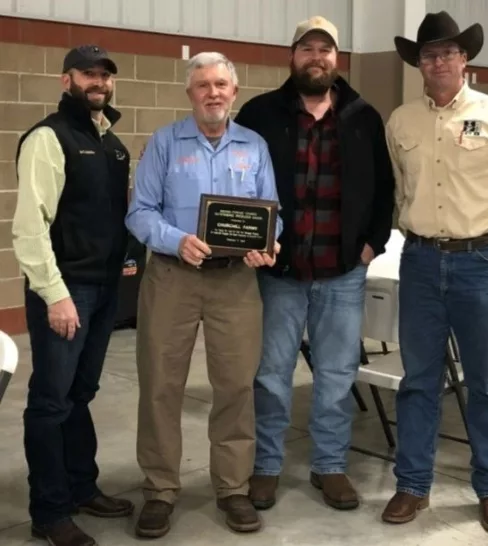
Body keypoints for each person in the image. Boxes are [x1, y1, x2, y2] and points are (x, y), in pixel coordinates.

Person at [383, 11, 488, 534]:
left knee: (487, 384)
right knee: (419, 381)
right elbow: (401, 188)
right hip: (420, 262)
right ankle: (413, 485)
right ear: (419, 63)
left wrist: (482, 235)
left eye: (448, 52)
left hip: (481, 264)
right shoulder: (401, 121)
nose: (439, 61)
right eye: (430, 54)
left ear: (464, 58)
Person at [234, 16, 395, 510]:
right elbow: (237, 183)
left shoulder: (363, 116)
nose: (317, 57)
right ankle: (265, 465)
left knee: (336, 372)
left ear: (337, 59)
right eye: (308, 48)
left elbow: (385, 189)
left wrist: (372, 245)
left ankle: (330, 465)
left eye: (326, 49)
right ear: (293, 55)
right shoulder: (260, 113)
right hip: (279, 272)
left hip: (343, 271)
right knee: (271, 373)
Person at [125, 51, 282, 538]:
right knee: (160, 385)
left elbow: (271, 212)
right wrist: (177, 240)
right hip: (173, 277)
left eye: (221, 85)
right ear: (190, 94)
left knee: (235, 386)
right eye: (202, 85)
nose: (213, 93)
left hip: (235, 282)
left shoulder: (253, 146)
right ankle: (159, 488)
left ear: (234, 93)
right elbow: (140, 212)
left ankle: (233, 487)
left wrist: (269, 243)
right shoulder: (166, 143)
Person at [12, 45, 134, 546]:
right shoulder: (48, 138)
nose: (98, 81)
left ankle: (82, 486)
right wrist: (55, 295)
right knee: (49, 401)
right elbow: (29, 228)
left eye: (105, 74)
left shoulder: (114, 144)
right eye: (88, 73)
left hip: (105, 291)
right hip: (65, 291)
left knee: (80, 394)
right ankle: (49, 510)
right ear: (67, 81)